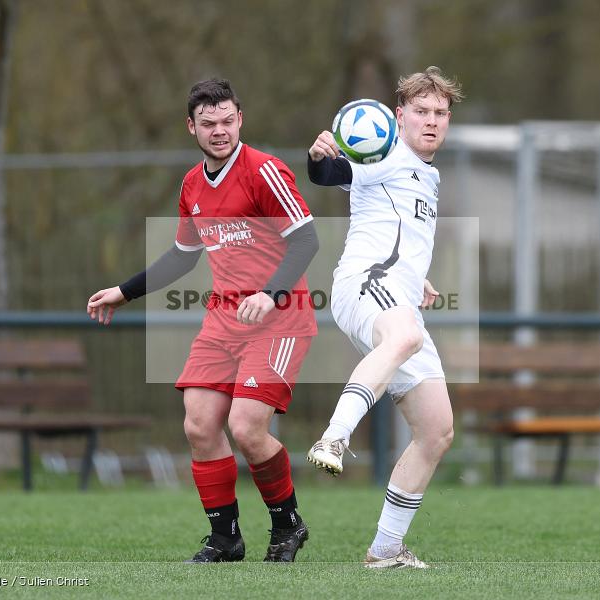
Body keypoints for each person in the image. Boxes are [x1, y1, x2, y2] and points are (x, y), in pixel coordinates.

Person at [87, 78, 319, 563]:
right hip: (223, 320)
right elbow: (182, 257)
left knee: (248, 427)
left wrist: (269, 293)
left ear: (241, 120)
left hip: (280, 318)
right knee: (198, 426)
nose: (219, 131)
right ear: (191, 126)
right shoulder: (192, 184)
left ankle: (287, 526)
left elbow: (305, 242)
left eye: (228, 121)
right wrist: (124, 291)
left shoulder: (265, 171)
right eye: (209, 123)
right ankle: (226, 539)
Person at [305, 66, 463, 569]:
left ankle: (386, 548)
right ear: (399, 117)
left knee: (436, 429)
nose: (432, 121)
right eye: (421, 111)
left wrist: (419, 278)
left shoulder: (428, 173)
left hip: (397, 291)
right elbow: (333, 174)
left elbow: (396, 230)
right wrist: (319, 156)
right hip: (364, 284)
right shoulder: (387, 151)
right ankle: (335, 434)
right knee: (403, 336)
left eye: (440, 112)